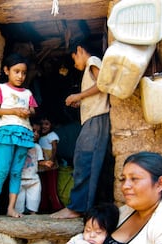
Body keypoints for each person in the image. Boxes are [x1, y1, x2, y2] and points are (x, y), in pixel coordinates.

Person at [51, 39, 110, 219]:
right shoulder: (90, 67)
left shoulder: (93, 61)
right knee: (87, 160)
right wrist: (82, 101)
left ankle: (76, 208)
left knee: (84, 160)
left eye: (74, 58)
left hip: (97, 119)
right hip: (94, 119)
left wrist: (78, 95)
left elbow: (102, 84)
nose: (75, 64)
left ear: (79, 50)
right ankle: (83, 207)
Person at [0, 53, 38, 224]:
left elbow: (33, 111)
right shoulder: (0, 88)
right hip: (7, 132)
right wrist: (15, 111)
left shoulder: (28, 92)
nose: (20, 76)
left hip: (24, 133)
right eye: (16, 71)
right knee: (2, 170)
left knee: (16, 172)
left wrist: (28, 112)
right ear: (6, 70)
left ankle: (11, 208)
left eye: (23, 73)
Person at [16, 122, 54, 214]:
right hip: (19, 179)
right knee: (18, 203)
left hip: (34, 179)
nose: (36, 134)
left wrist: (45, 163)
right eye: (33, 131)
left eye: (38, 132)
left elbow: (39, 161)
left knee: (34, 200)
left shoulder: (37, 147)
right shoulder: (18, 146)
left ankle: (33, 214)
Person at [38, 116, 63, 212]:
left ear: (52, 125)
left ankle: (57, 207)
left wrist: (52, 160)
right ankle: (44, 207)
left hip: (51, 166)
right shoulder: (40, 137)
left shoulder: (52, 135)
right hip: (42, 166)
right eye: (42, 124)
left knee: (52, 187)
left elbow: (54, 148)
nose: (43, 126)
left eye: (46, 124)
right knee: (43, 187)